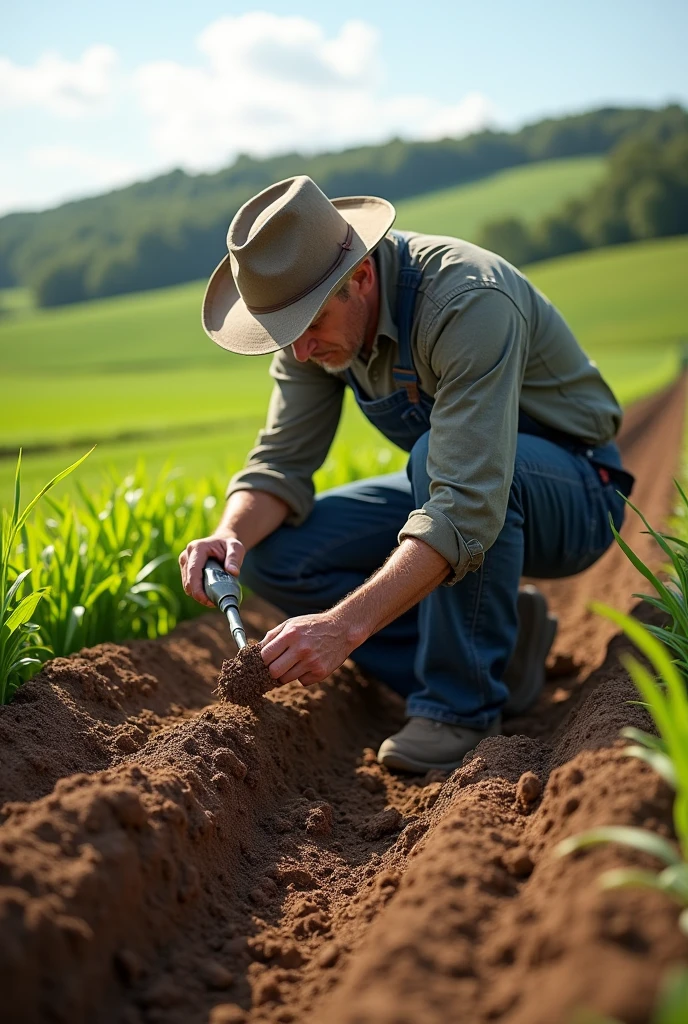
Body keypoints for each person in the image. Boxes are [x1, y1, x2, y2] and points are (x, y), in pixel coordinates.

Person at [179, 175, 633, 772]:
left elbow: (466, 502)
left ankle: (459, 709)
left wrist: (344, 626)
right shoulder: (312, 334)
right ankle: (504, 648)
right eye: (282, 337)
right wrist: (232, 533)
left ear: (361, 278)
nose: (298, 353)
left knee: (433, 467)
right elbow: (281, 462)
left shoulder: (466, 301)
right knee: (276, 552)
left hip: (576, 493)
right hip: (457, 479)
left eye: (307, 329)